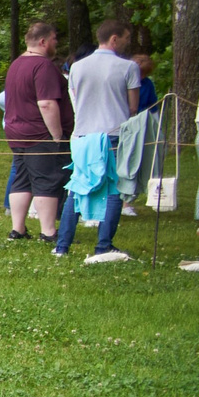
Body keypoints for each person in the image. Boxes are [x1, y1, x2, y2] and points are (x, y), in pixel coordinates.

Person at [59, 18, 142, 262]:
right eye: (126, 38)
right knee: (114, 189)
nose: (127, 43)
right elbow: (133, 107)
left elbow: (76, 98)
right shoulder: (128, 67)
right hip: (113, 133)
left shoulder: (77, 67)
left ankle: (62, 245)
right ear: (114, 39)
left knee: (77, 187)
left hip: (83, 134)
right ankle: (104, 244)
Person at [0, 21, 71, 242]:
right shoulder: (43, 66)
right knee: (46, 179)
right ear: (43, 41)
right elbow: (46, 103)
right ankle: (48, 231)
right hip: (39, 133)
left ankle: (18, 228)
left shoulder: (16, 64)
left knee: (22, 179)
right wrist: (57, 135)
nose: (56, 43)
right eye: (54, 39)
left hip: (16, 131)